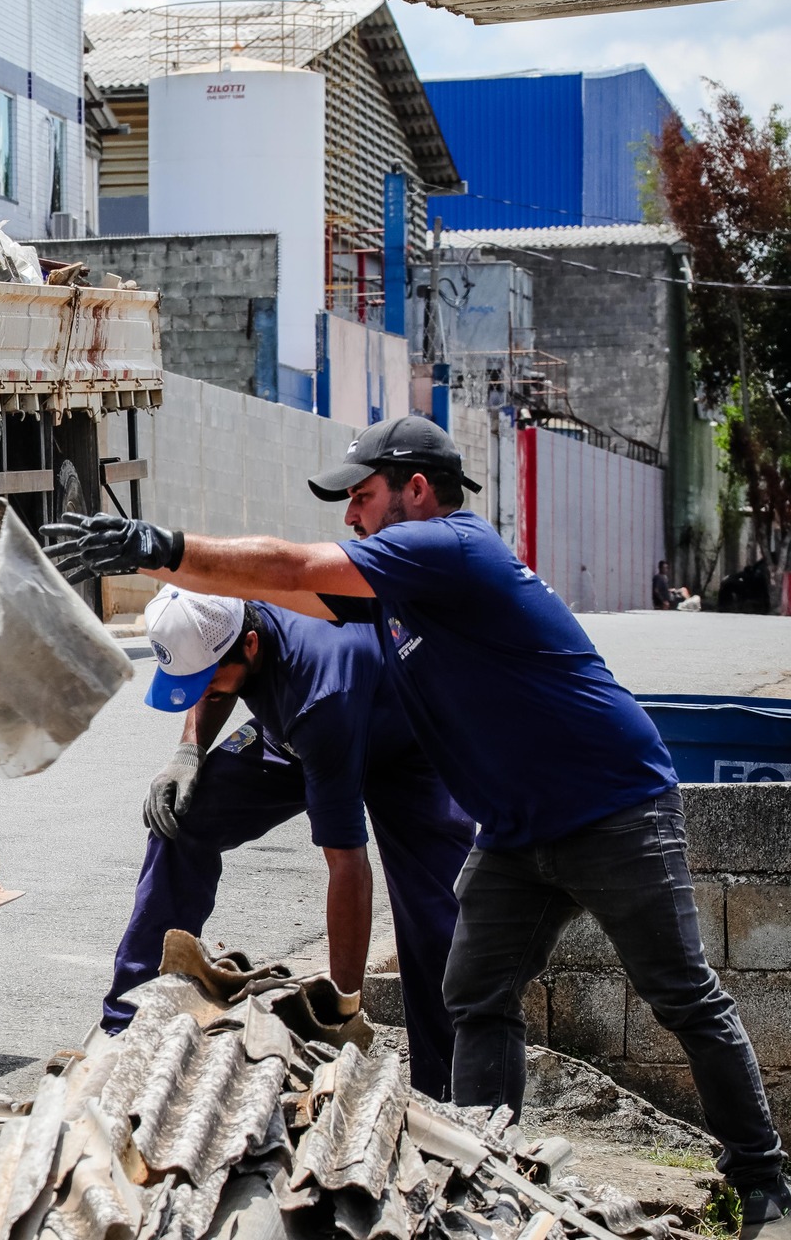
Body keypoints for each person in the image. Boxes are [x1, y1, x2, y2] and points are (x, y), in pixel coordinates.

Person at [43, 413, 791, 1238]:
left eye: (362, 497)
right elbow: (283, 592)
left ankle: (762, 1183)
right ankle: (485, 1169)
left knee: (681, 995)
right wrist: (189, 727)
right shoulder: (400, 587)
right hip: (513, 830)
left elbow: (294, 564)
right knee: (475, 992)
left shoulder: (451, 549)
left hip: (610, 808)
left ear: (417, 491)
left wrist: (160, 543)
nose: (351, 516)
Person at [108, 585, 475, 1099]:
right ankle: (131, 1017)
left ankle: (448, 1096)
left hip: (406, 744)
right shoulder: (223, 610)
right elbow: (209, 681)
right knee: (183, 817)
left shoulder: (320, 697)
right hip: (300, 731)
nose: (200, 691)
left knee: (436, 922)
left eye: (207, 681)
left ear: (252, 646)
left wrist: (340, 1010)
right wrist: (188, 750)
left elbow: (348, 867)